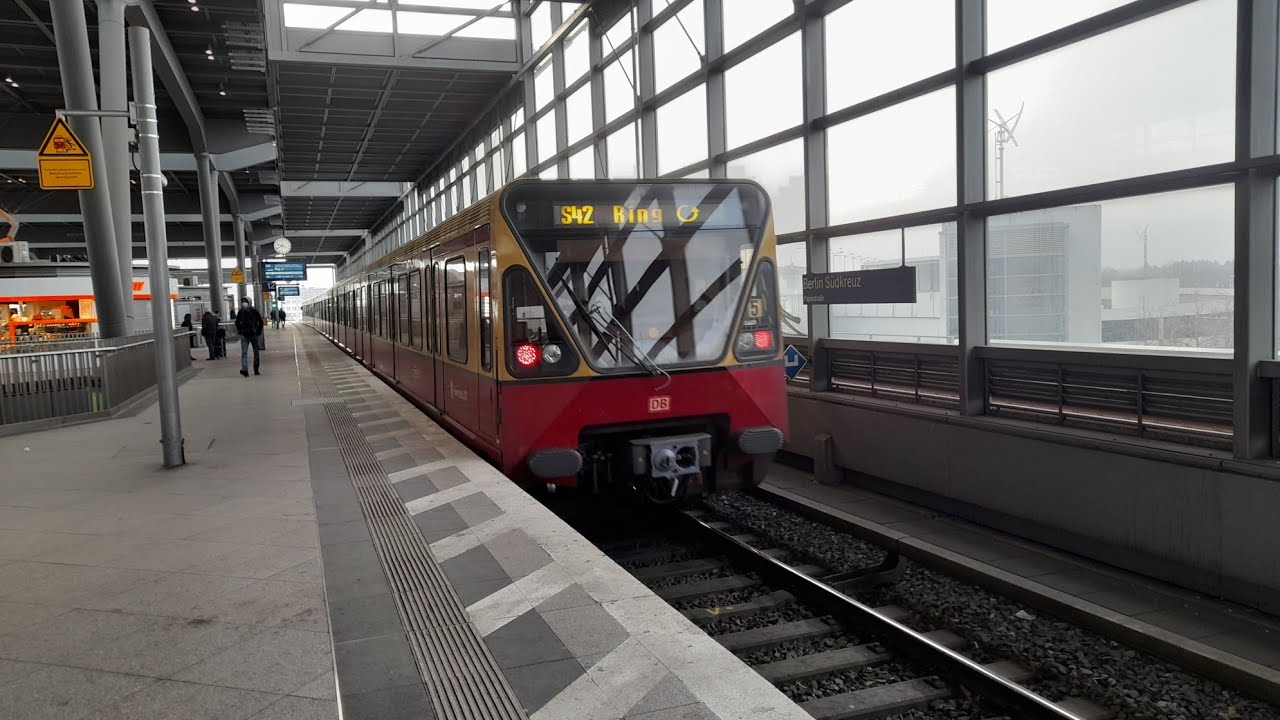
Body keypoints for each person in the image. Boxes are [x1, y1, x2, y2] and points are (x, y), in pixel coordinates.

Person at [234, 297, 264, 377]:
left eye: (245, 301)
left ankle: (256, 369)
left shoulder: (254, 311)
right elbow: (237, 322)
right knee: (244, 353)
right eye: (243, 302)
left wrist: (258, 331)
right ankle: (245, 370)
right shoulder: (241, 311)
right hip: (245, 335)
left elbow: (260, 321)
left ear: (249, 302)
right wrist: (240, 330)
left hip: (254, 334)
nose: (244, 303)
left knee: (256, 353)